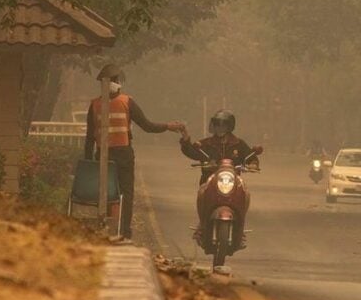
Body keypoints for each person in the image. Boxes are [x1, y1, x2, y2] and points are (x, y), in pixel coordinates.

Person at [84, 64, 182, 241]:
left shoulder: (94, 104)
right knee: (126, 194)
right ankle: (124, 232)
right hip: (123, 156)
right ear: (117, 82)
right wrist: (169, 126)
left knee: (105, 193)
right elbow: (147, 126)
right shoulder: (127, 101)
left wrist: (88, 161)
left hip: (102, 157)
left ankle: (104, 228)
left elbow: (89, 138)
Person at [179, 109, 260, 244]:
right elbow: (191, 151)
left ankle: (240, 229)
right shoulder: (206, 143)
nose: (219, 128)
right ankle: (202, 225)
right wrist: (186, 138)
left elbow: (250, 157)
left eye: (223, 125)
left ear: (229, 126)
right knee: (202, 193)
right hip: (209, 181)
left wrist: (253, 164)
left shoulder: (238, 144)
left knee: (245, 194)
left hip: (233, 182)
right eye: (217, 125)